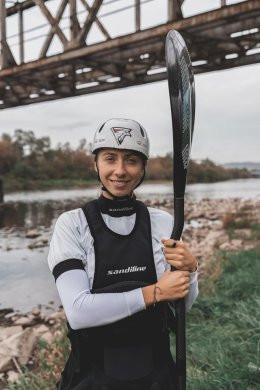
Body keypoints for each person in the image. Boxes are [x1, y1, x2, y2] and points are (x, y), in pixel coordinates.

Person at [47, 118, 199, 390]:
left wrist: (191, 271)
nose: (120, 171)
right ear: (96, 164)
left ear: (143, 168)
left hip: (157, 376)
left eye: (131, 160)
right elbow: (79, 312)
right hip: (93, 378)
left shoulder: (163, 223)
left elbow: (183, 309)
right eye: (109, 158)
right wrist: (155, 292)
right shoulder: (72, 224)